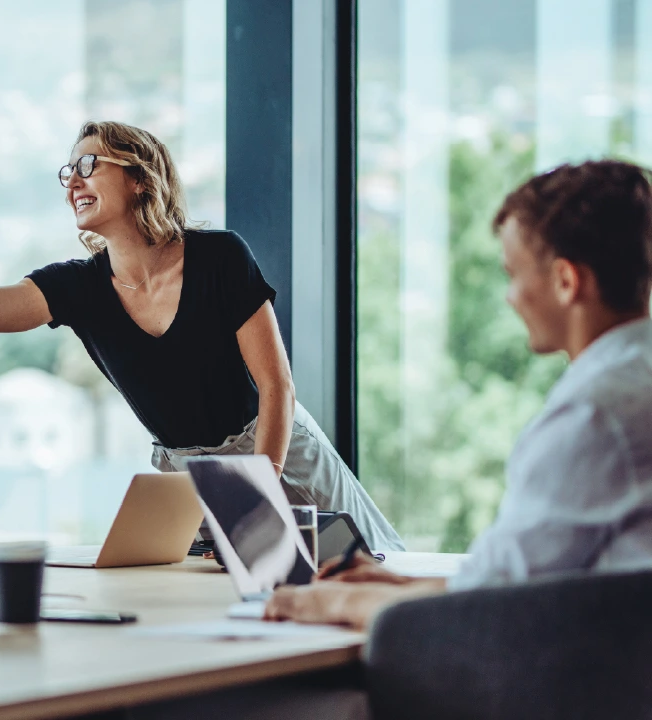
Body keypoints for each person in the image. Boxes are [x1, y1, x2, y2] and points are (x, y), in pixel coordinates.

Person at [0, 123, 404, 552]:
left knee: (372, 571)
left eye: (89, 165)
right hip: (188, 477)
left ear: (138, 178)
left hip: (277, 448)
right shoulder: (77, 286)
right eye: (68, 173)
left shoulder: (220, 257)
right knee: (221, 606)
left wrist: (255, 491)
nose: (72, 183)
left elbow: (277, 387)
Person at [265, 159, 652, 629]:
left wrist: (327, 603)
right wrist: (401, 585)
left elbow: (490, 607)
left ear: (566, 281)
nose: (509, 297)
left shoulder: (595, 413)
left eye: (514, 274)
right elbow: (519, 576)